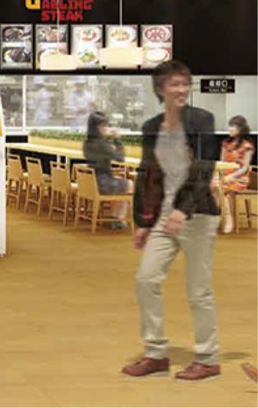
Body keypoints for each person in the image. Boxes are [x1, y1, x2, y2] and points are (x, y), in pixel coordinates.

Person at [123, 60, 222, 382]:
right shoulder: (152, 126)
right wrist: (144, 220)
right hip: (165, 217)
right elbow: (148, 174)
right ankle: (155, 353)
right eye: (174, 84)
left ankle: (207, 358)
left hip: (198, 216)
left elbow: (204, 168)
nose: (182, 90)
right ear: (160, 89)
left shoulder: (202, 120)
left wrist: (183, 209)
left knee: (198, 291)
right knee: (146, 279)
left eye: (185, 84)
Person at [83, 111, 132, 229]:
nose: (106, 128)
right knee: (130, 184)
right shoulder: (102, 144)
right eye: (103, 125)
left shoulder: (87, 143)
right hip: (102, 183)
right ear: (96, 127)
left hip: (92, 181)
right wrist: (118, 140)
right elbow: (120, 158)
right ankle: (118, 218)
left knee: (121, 182)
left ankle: (115, 217)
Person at [217, 115, 254, 234]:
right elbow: (222, 162)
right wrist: (222, 174)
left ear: (241, 129)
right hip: (225, 175)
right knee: (212, 185)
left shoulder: (247, 146)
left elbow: (244, 168)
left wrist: (231, 176)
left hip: (239, 177)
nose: (230, 129)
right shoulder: (225, 144)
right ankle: (215, 217)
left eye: (233, 126)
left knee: (224, 188)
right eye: (230, 126)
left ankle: (229, 219)